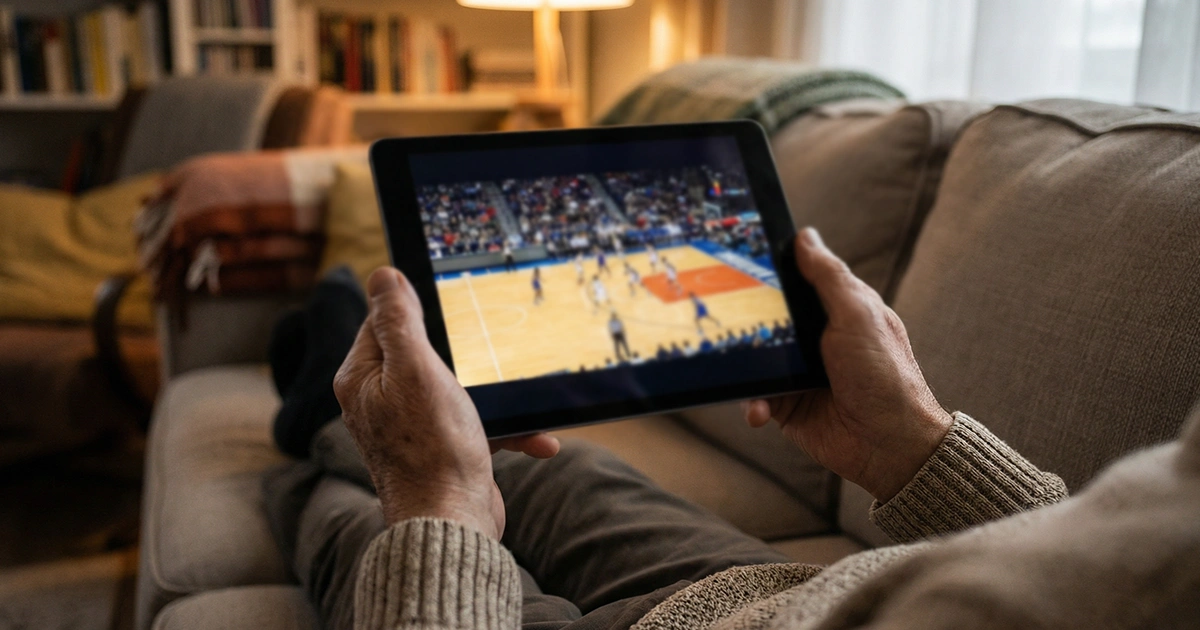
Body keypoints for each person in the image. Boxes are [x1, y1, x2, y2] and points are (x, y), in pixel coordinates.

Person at [264, 229, 1199, 630]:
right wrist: (916, 445)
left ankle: (313, 417)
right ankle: (327, 386)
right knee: (557, 462)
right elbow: (1095, 570)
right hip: (774, 596)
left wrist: (434, 499)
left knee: (358, 524)